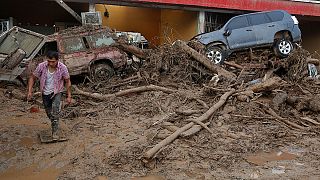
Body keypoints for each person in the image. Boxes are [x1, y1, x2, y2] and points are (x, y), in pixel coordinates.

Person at [27, 51, 72, 140]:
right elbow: (32, 77)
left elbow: (67, 81)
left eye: (53, 61)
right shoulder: (42, 66)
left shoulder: (62, 68)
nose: (51, 63)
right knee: (49, 113)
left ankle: (55, 133)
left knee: (55, 112)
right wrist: (29, 91)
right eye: (49, 61)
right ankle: (54, 123)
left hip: (57, 92)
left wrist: (69, 96)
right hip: (45, 93)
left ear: (57, 60)